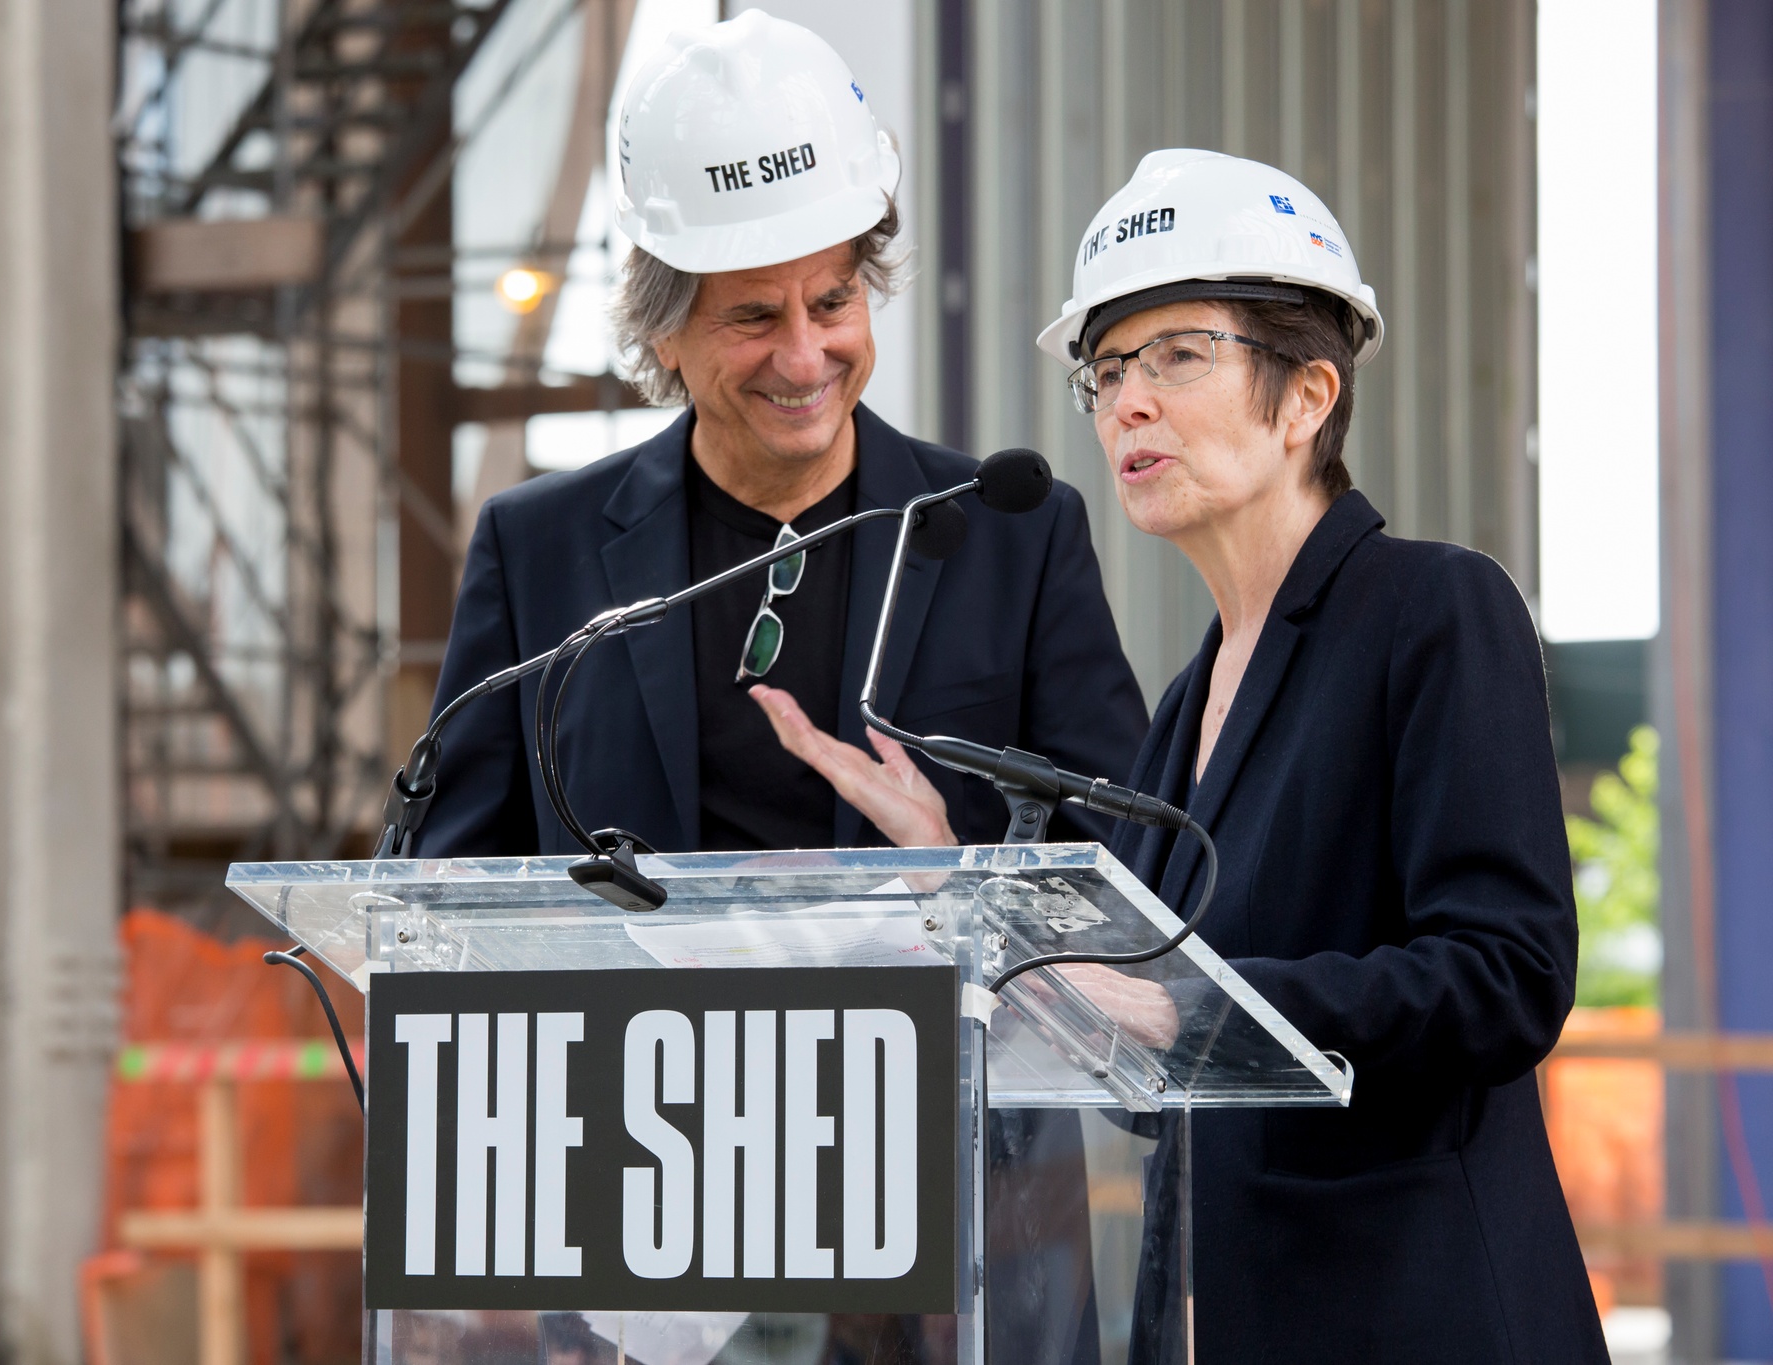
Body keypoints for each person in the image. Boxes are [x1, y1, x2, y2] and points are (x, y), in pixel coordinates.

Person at [415, 11, 1147, 1362]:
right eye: (754, 316)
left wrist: (956, 871)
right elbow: (454, 890)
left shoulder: (1007, 530)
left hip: (950, 1205)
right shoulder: (546, 551)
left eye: (833, 302)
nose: (806, 356)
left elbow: (1126, 860)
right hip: (645, 1194)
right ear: (665, 334)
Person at [1031, 148, 1606, 1362]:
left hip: (1415, 1315)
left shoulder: (1434, 609)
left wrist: (1200, 1006)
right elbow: (1155, 1066)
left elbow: (1504, 975)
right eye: (1106, 370)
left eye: (1177, 354)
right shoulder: (1184, 701)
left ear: (1304, 398)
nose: (1126, 402)